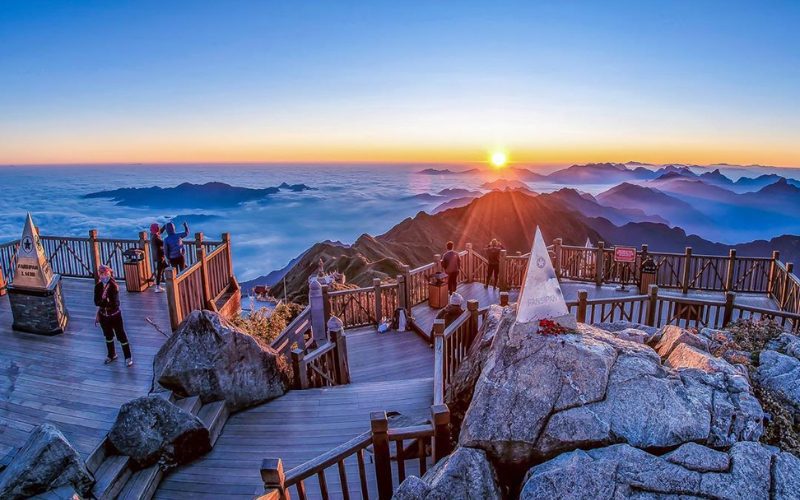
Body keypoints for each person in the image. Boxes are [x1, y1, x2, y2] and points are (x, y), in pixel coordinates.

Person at [94, 265, 133, 366]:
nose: (104, 276)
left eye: (106, 274)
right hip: (104, 315)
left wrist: (103, 302)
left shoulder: (113, 286)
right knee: (108, 335)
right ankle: (111, 354)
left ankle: (128, 357)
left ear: (110, 274)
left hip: (115, 315)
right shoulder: (98, 286)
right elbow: (96, 302)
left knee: (121, 335)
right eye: (102, 274)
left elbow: (115, 303)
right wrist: (104, 302)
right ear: (99, 274)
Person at [150, 223, 167, 292]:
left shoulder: (153, 235)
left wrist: (165, 226)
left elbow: (160, 231)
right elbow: (164, 243)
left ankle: (157, 286)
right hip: (159, 257)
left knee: (161, 271)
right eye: (158, 227)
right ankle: (157, 287)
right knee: (167, 269)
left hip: (159, 256)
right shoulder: (156, 238)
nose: (159, 228)